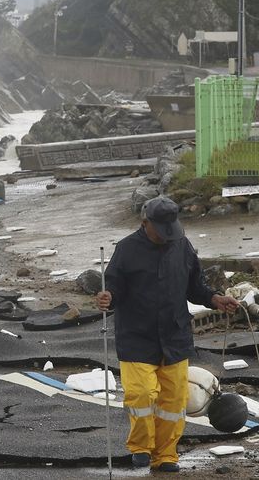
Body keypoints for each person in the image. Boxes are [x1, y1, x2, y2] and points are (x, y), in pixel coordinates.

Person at [96, 195, 239, 473]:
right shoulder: (126, 250)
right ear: (144, 222)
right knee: (141, 394)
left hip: (174, 335)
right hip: (136, 336)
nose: (166, 236)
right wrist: (107, 297)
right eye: (161, 230)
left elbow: (195, 287)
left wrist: (214, 299)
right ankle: (140, 447)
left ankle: (166, 454)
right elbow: (113, 288)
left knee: (173, 401)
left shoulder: (182, 246)